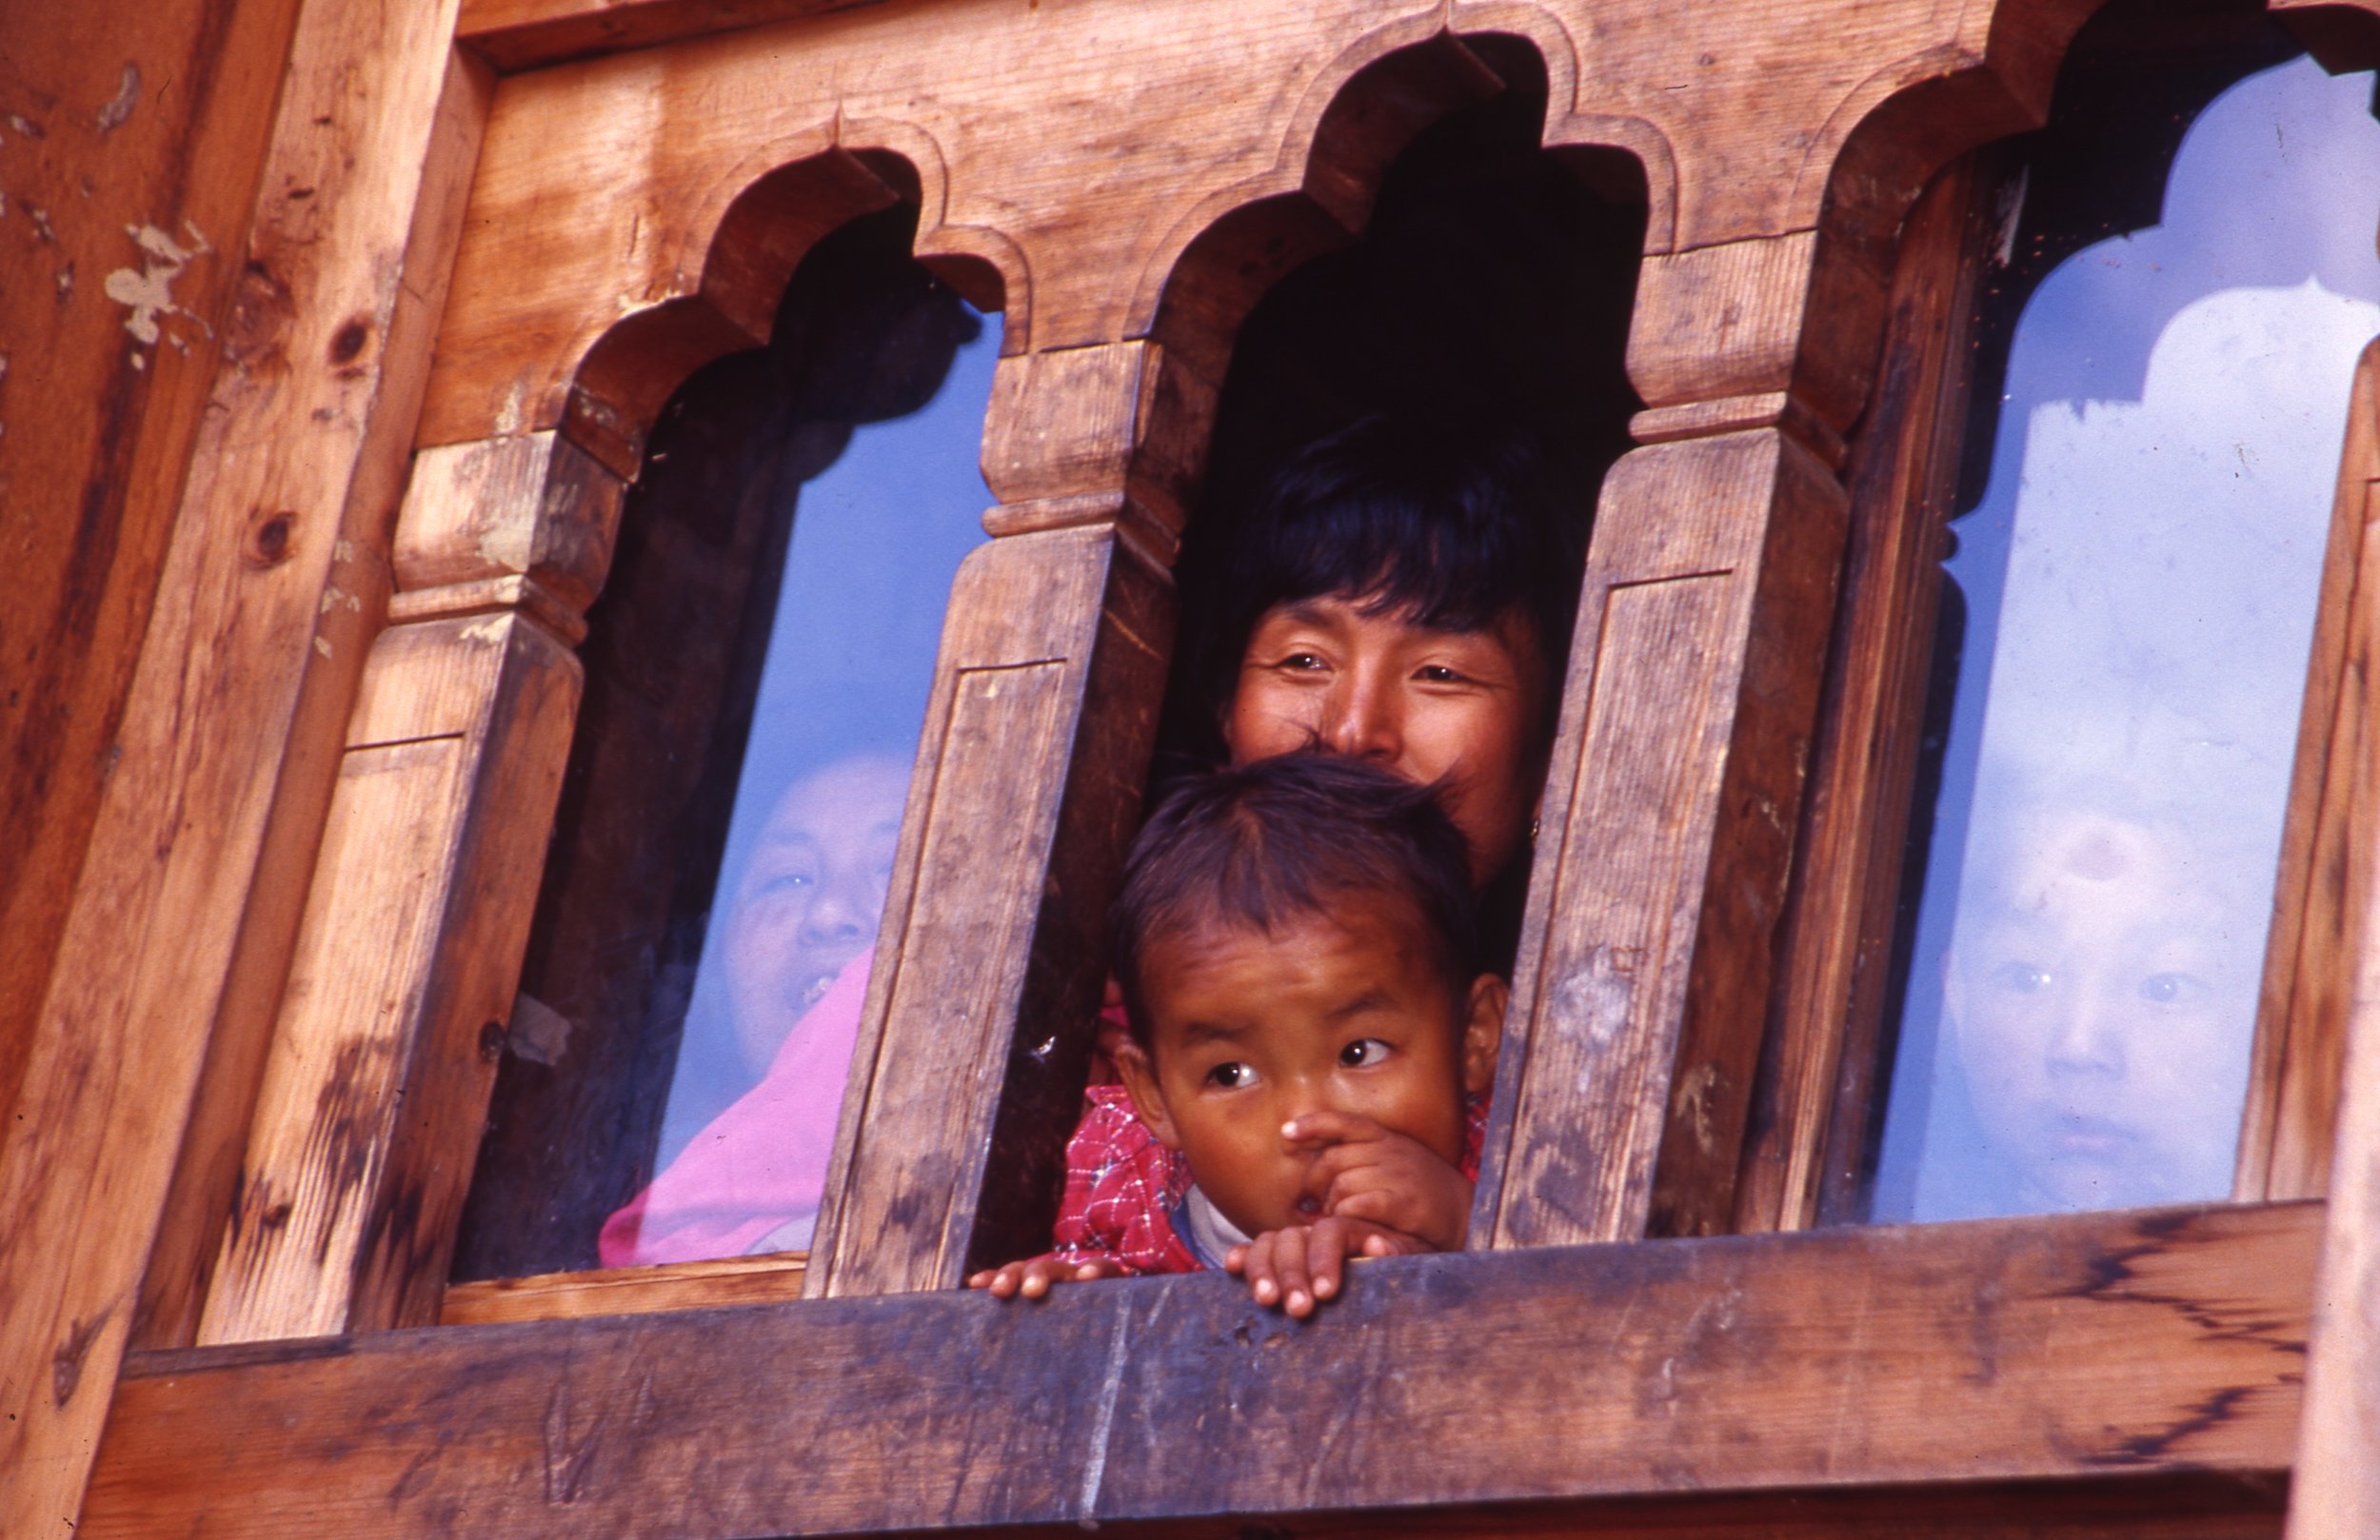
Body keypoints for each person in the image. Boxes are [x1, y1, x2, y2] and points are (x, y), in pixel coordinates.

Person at [968, 754, 1506, 1314]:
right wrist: (1083, 1298)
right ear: (1155, 1097)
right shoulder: (1123, 1187)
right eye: (1231, 1074)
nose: (1303, 1123)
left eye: (1358, 1052)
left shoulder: (1523, 1154)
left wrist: (1466, 1224)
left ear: (1476, 1038)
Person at [600, 750, 908, 1266]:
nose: (830, 914)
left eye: (897, 864)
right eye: (789, 878)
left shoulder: (1079, 1201)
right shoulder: (677, 1233)